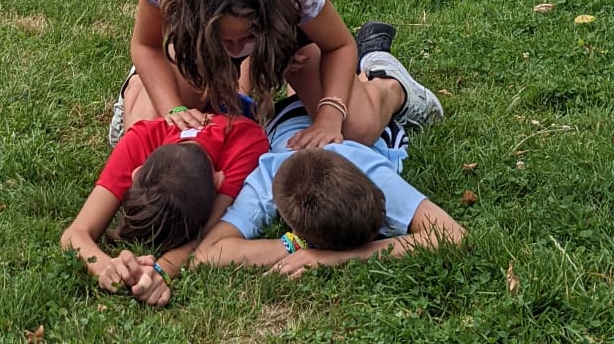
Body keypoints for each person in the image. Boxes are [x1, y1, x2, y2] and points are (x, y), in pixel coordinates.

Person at [113, 0, 442, 158]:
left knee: (357, 128)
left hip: (288, 45)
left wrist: (330, 114)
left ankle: (388, 80)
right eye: (226, 39)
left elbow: (339, 46)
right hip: (194, 47)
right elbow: (146, 46)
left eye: (247, 36)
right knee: (148, 140)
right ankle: (138, 95)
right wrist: (173, 108)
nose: (236, 49)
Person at [192, 91, 465, 274]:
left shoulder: (372, 173)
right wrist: (294, 245)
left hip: (332, 117)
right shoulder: (267, 177)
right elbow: (206, 255)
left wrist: (338, 257)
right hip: (286, 117)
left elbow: (453, 235)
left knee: (367, 89)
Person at [60, 108, 270, 295]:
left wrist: (162, 269)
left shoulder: (247, 142)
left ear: (136, 173)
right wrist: (103, 266)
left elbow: (209, 233)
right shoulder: (140, 138)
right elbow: (74, 233)